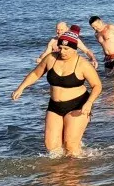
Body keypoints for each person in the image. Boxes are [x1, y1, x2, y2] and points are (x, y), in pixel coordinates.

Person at [11, 28, 102, 156]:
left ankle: (76, 172)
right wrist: (21, 88)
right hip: (54, 106)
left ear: (75, 48)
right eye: (60, 48)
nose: (62, 52)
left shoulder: (83, 64)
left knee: (70, 146)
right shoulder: (51, 58)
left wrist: (89, 103)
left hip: (78, 105)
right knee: (52, 148)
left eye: (66, 49)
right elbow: (36, 73)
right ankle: (58, 174)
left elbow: (97, 85)